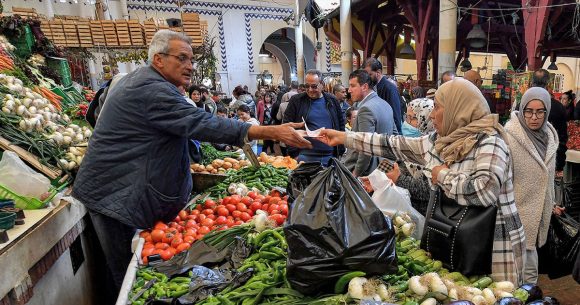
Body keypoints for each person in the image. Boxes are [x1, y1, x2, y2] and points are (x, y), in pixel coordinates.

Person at [72, 30, 311, 297]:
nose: (190, 66)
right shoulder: (151, 90)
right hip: (116, 197)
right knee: (126, 279)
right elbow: (203, 123)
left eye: (191, 60)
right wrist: (268, 131)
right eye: (182, 58)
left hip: (118, 191)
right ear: (158, 59)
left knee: (126, 271)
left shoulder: (150, 83)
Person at [319, 78, 526, 284]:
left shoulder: (490, 143)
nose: (432, 114)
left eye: (437, 107)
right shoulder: (440, 141)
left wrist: (442, 176)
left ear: (457, 108)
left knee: (496, 296)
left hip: (494, 247)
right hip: (456, 241)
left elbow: (485, 190)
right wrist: (344, 138)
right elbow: (393, 144)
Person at [504, 87, 565, 284]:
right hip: (514, 216)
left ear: (547, 111)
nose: (534, 117)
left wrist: (551, 202)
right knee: (519, 274)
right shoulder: (509, 137)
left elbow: (545, 178)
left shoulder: (550, 137)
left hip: (539, 215)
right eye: (529, 111)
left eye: (540, 112)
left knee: (529, 272)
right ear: (522, 110)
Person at [283, 69, 345, 164]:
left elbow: (340, 125)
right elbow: (287, 127)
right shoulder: (296, 101)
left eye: (314, 86)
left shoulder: (332, 100)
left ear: (322, 85)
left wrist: (340, 149)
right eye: (307, 86)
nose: (310, 90)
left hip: (329, 156)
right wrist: (294, 154)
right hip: (304, 156)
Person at [343, 69, 396, 177]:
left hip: (368, 172)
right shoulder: (385, 104)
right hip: (384, 167)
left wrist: (356, 173)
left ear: (365, 87)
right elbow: (394, 135)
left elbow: (365, 148)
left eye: (353, 86)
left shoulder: (366, 109)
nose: (349, 90)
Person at [532, 69, 568, 174]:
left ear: (532, 83)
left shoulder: (522, 104)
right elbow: (562, 138)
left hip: (527, 161)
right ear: (549, 84)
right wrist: (559, 165)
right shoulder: (558, 107)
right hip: (550, 161)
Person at [364, 58, 402, 133]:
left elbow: (396, 116)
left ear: (378, 72)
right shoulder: (375, 86)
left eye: (370, 74)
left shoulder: (389, 88)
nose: (367, 78)